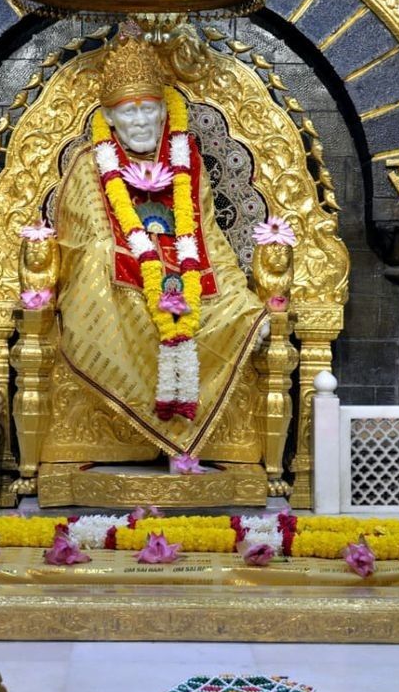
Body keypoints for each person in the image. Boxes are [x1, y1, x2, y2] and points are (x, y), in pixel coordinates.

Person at [48, 28, 267, 463]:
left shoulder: (188, 164)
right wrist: (147, 258)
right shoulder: (92, 165)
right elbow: (84, 241)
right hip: (117, 284)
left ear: (165, 114)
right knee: (101, 274)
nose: (142, 122)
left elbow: (210, 238)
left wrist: (241, 297)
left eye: (150, 110)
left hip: (189, 275)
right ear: (108, 119)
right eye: (129, 113)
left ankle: (199, 442)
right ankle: (129, 436)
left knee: (239, 311)